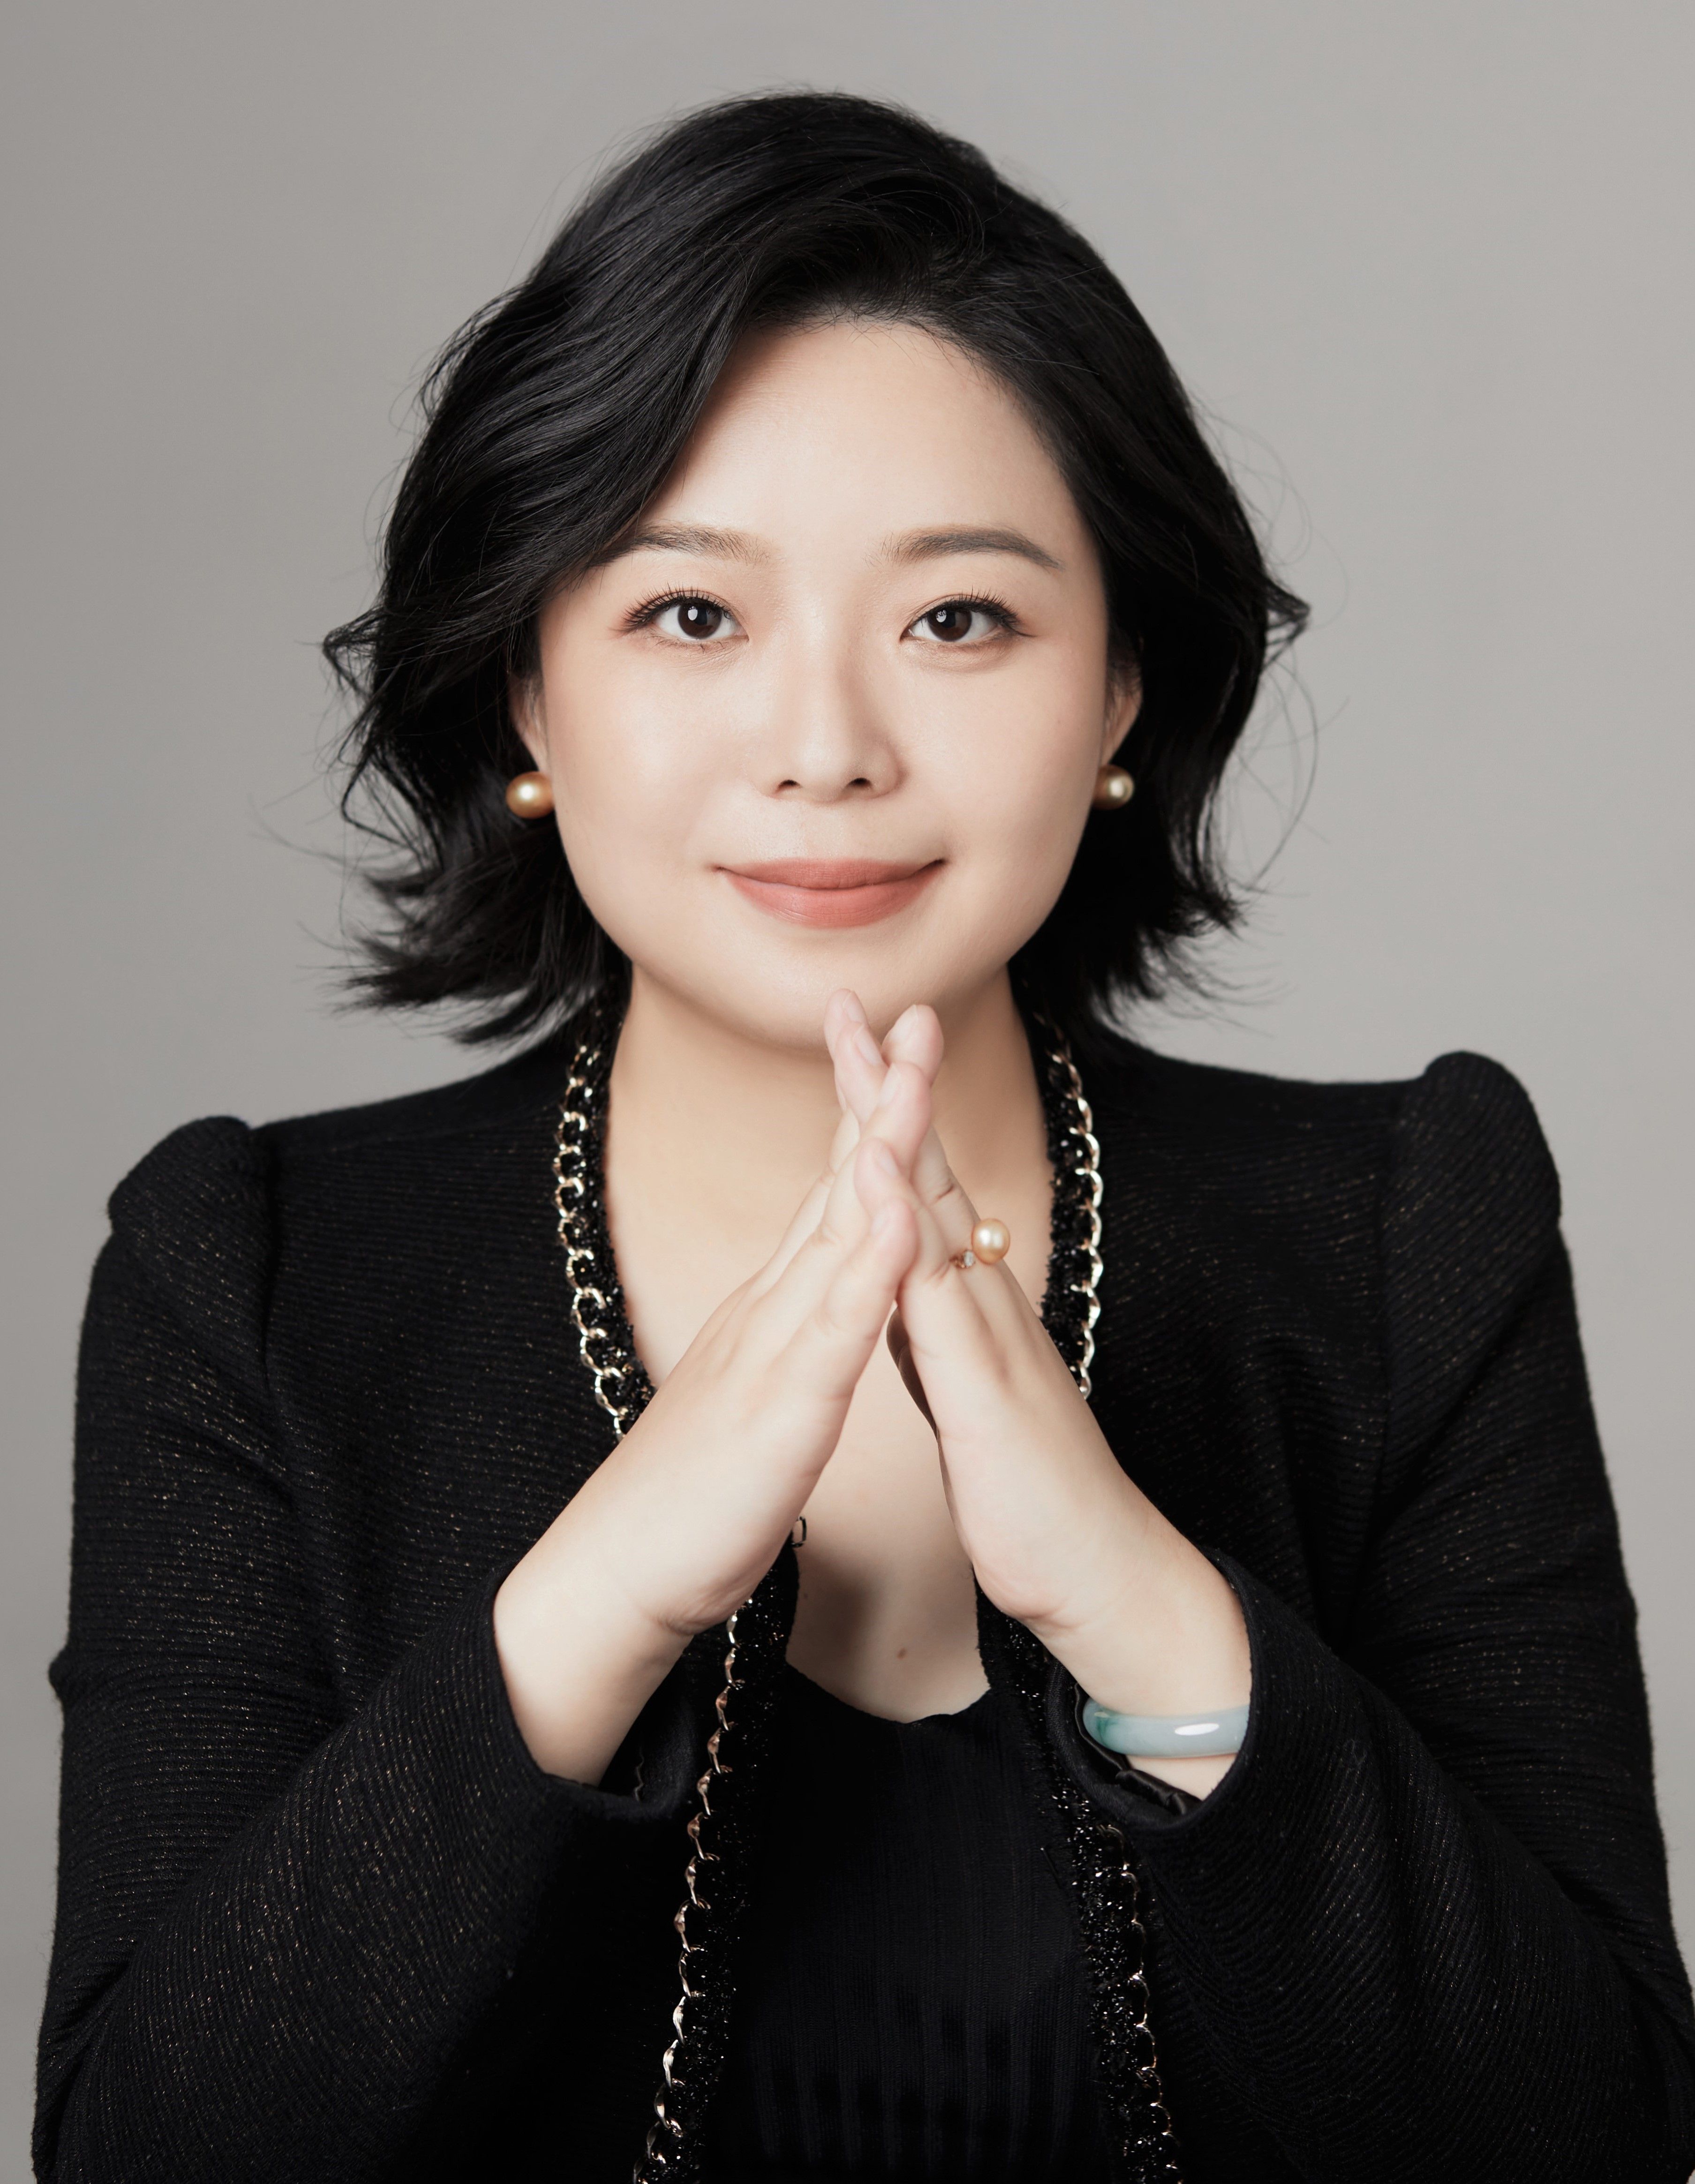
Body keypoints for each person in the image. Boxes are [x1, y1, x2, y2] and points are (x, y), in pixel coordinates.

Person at [33, 89, 1695, 2184]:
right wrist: (605, 1588)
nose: (824, 749)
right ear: (527, 692)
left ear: (1121, 690)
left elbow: (1597, 2135)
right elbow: (139, 2149)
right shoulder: (252, 1274)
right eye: (691, 615)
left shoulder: (1404, 1233)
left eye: (959, 618)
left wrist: (1136, 1601)